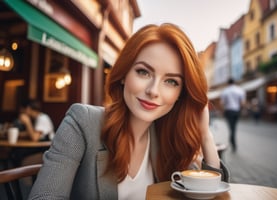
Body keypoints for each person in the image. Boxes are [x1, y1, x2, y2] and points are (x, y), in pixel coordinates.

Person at [29, 23, 228, 200]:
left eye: (171, 81)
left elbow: (208, 194)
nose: (153, 91)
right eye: (143, 71)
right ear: (124, 73)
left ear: (180, 95)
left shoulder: (170, 137)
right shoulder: (82, 122)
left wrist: (205, 135)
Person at [11, 99, 55, 166]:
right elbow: (30, 133)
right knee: (16, 152)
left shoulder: (43, 118)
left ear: (28, 108)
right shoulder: (37, 119)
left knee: (19, 156)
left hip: (47, 151)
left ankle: (18, 174)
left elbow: (34, 138)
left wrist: (27, 122)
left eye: (22, 109)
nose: (20, 112)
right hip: (41, 149)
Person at [220, 78, 246, 152]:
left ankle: (232, 141)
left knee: (231, 128)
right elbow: (242, 102)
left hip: (229, 111)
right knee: (234, 127)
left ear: (228, 83)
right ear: (234, 83)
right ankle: (232, 142)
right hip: (236, 111)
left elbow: (222, 103)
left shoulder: (225, 91)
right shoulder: (240, 90)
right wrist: (242, 110)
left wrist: (222, 112)